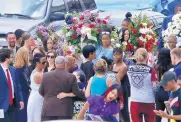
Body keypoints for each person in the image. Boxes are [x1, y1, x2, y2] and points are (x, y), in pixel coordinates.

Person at [39, 56, 85, 121]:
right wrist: (84, 94)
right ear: (64, 64)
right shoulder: (71, 77)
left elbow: (40, 91)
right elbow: (76, 92)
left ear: (55, 63)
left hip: (48, 108)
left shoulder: (46, 75)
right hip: (64, 110)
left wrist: (49, 97)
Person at [127, 48, 158, 122]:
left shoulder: (128, 69)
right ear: (147, 56)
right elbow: (155, 87)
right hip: (149, 100)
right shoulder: (151, 71)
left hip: (135, 100)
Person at [0, 48, 24, 122]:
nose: (12, 58)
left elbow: (17, 85)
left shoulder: (13, 69)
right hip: (1, 106)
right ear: (6, 58)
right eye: (11, 57)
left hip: (12, 104)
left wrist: (20, 100)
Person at [155, 48, 173, 122]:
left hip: (159, 92)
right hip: (169, 93)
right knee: (170, 116)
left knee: (158, 116)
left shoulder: (156, 67)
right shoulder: (172, 67)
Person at [112, 48, 131, 122]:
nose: (116, 56)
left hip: (122, 89)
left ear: (122, 55)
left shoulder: (124, 66)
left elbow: (117, 79)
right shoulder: (114, 65)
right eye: (114, 55)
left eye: (118, 54)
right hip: (115, 88)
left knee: (124, 109)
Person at [27, 53, 46, 122]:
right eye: (43, 62)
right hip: (37, 99)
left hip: (38, 98)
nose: (45, 63)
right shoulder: (38, 75)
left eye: (45, 61)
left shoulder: (40, 72)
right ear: (37, 63)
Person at [14, 47, 31, 122]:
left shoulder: (23, 68)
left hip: (24, 94)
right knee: (23, 116)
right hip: (23, 96)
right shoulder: (19, 70)